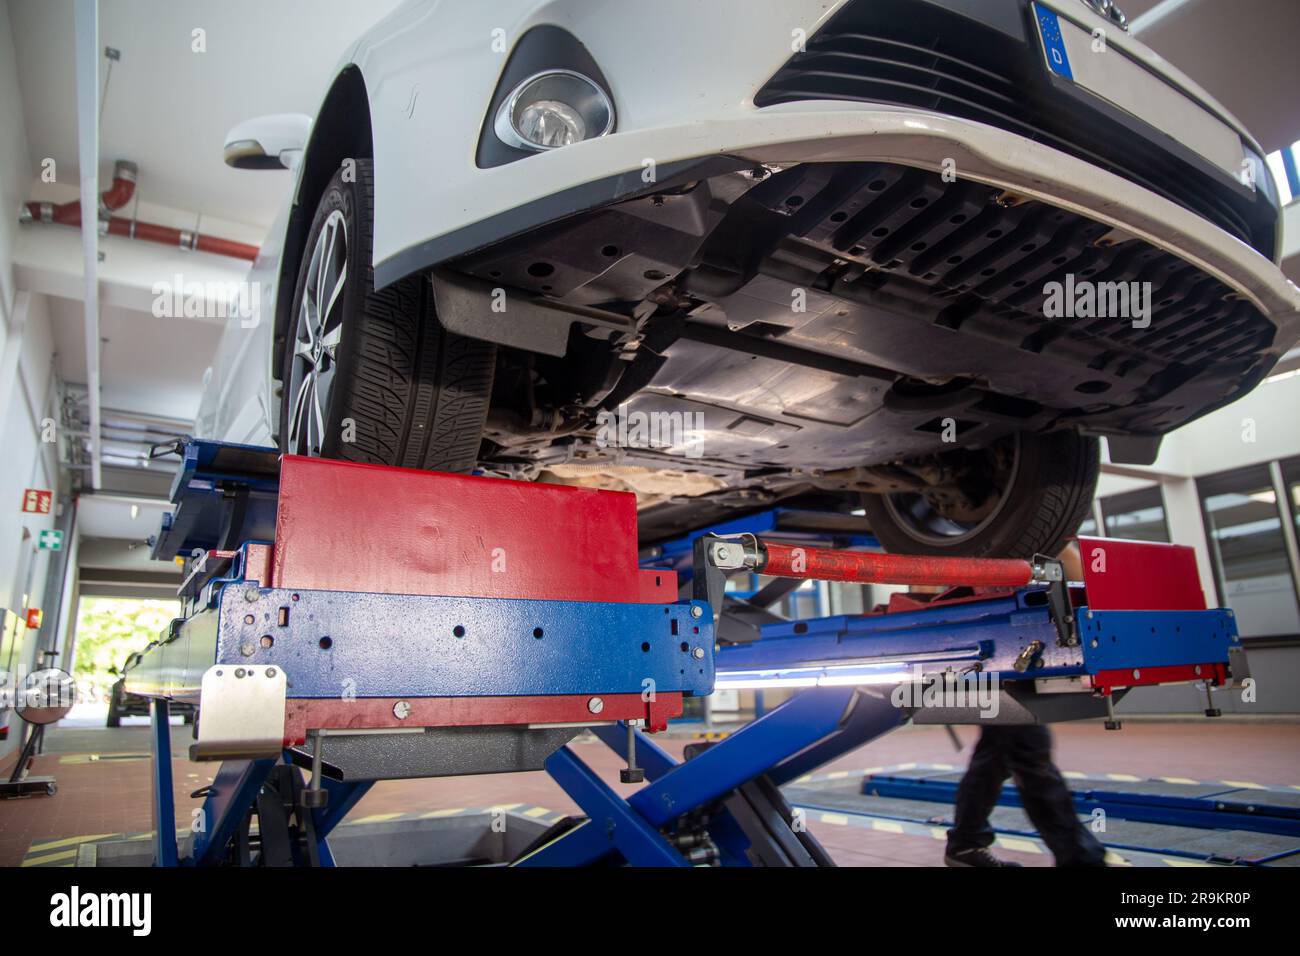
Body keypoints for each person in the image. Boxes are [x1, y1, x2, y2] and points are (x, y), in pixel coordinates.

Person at [944, 543, 1106, 867]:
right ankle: (1080, 858)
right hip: (995, 654)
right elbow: (1078, 571)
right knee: (1028, 756)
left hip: (1008, 654)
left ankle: (965, 843)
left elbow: (1076, 571)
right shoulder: (1004, 536)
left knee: (998, 754)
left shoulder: (1024, 533)